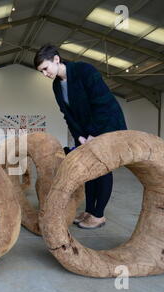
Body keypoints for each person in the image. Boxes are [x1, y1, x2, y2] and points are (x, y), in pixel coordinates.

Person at [34, 44, 127, 229]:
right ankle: (89, 210)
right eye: (41, 71)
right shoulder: (56, 86)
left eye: (45, 68)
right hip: (85, 132)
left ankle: (99, 215)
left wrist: (94, 134)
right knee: (88, 171)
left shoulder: (84, 70)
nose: (45, 74)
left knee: (102, 169)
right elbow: (67, 115)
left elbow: (101, 104)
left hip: (106, 125)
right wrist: (80, 137)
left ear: (57, 59)